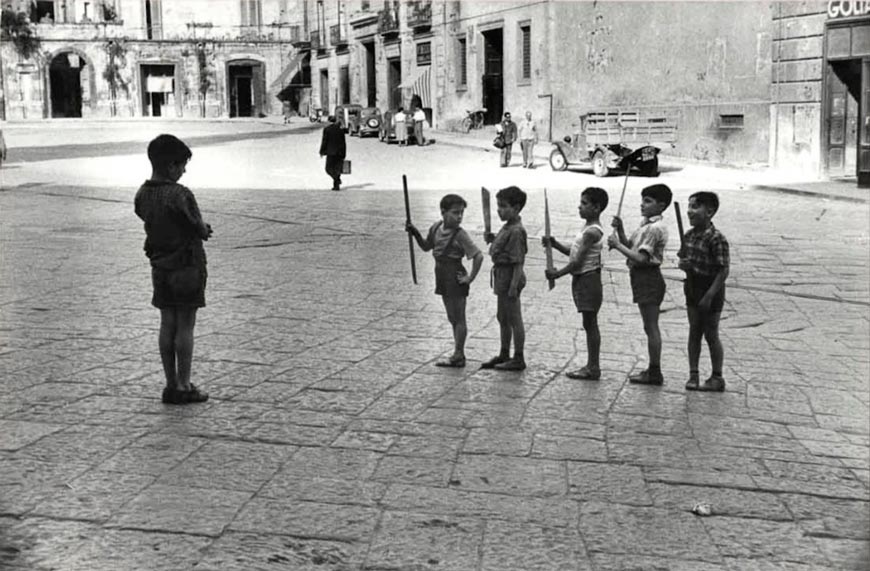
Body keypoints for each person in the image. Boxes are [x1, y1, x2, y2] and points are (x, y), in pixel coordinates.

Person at [134, 134, 212, 405]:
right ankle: (184, 384)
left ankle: (169, 383)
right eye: (182, 165)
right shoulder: (180, 194)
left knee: (167, 323)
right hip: (187, 267)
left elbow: (146, 218)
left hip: (160, 266)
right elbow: (198, 227)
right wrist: (205, 230)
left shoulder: (142, 194)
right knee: (185, 326)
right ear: (171, 167)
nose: (184, 170)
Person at [406, 194, 485, 367]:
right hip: (441, 274)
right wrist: (415, 233)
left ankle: (459, 354)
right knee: (452, 317)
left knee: (459, 317)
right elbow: (426, 247)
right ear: (443, 212)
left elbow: (478, 256)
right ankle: (458, 352)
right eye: (455, 213)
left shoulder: (460, 235)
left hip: (455, 275)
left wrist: (470, 278)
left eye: (461, 213)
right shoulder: (436, 228)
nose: (459, 217)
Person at [607, 184, 671, 385]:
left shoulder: (654, 228)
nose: (642, 204)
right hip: (642, 278)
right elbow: (631, 247)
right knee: (648, 325)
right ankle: (653, 369)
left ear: (661, 205)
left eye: (648, 201)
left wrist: (617, 246)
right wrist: (621, 231)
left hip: (648, 277)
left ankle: (655, 371)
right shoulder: (646, 225)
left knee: (651, 326)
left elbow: (641, 258)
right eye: (643, 199)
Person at [543, 187, 609, 380]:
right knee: (588, 323)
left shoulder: (592, 232)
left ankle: (593, 367)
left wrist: (557, 274)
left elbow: (576, 262)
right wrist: (555, 244)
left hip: (588, 279)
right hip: (583, 278)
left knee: (590, 323)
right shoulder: (587, 229)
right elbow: (574, 252)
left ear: (596, 208)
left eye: (584, 203)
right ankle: (592, 365)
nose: (579, 207)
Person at [677, 191, 730, 392]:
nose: (689, 212)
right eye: (689, 206)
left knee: (711, 333)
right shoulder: (688, 236)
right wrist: (684, 265)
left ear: (709, 212)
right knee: (694, 330)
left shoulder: (717, 239)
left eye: (695, 207)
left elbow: (723, 270)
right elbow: (685, 260)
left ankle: (717, 376)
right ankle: (693, 374)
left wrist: (709, 295)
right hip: (692, 286)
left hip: (712, 289)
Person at [481, 186, 528, 371]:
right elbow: (502, 247)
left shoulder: (516, 230)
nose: (499, 210)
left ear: (516, 208)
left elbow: (518, 261)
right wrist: (493, 239)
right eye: (498, 206)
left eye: (503, 206)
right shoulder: (507, 226)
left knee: (514, 318)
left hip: (510, 276)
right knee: (503, 317)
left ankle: (518, 357)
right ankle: (504, 352)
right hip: (502, 275)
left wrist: (513, 286)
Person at [319, 114, 347, 191]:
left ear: (328, 121)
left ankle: (337, 181)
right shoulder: (340, 130)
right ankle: (336, 186)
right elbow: (343, 143)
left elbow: (324, 141)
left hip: (330, 152)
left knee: (328, 169)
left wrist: (322, 151)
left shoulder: (327, 129)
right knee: (337, 169)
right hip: (339, 152)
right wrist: (344, 153)